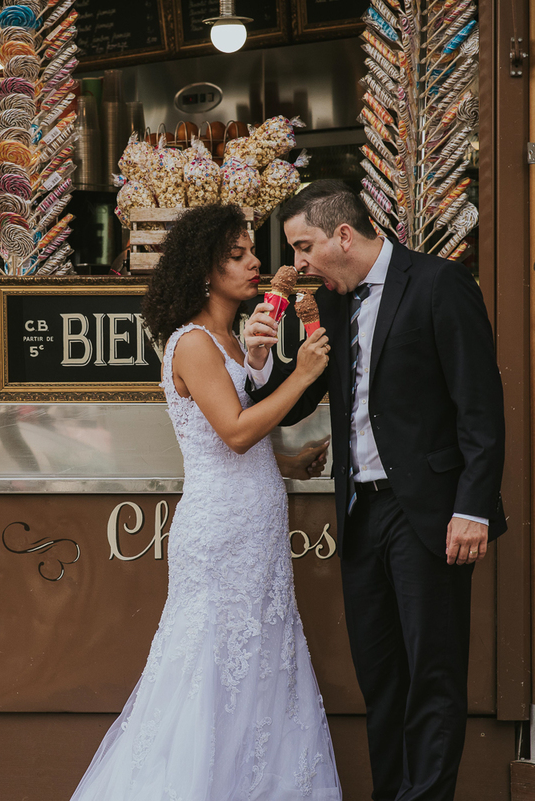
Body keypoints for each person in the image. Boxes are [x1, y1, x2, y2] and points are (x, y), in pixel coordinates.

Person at [244, 180, 506, 801]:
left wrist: (472, 506)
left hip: (433, 514)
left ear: (342, 234)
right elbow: (299, 398)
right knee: (382, 680)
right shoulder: (332, 302)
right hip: (361, 516)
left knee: (432, 677)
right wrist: (259, 359)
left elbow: (481, 410)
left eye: (303, 246)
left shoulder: (440, 284)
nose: (298, 263)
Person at [69, 204, 341, 801]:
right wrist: (301, 374)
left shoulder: (230, 340)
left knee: (261, 657)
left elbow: (244, 442)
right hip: (221, 532)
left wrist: (292, 461)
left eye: (251, 253)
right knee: (210, 661)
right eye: (238, 256)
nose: (256, 264)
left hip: (255, 523)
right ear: (205, 271)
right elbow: (236, 431)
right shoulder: (193, 342)